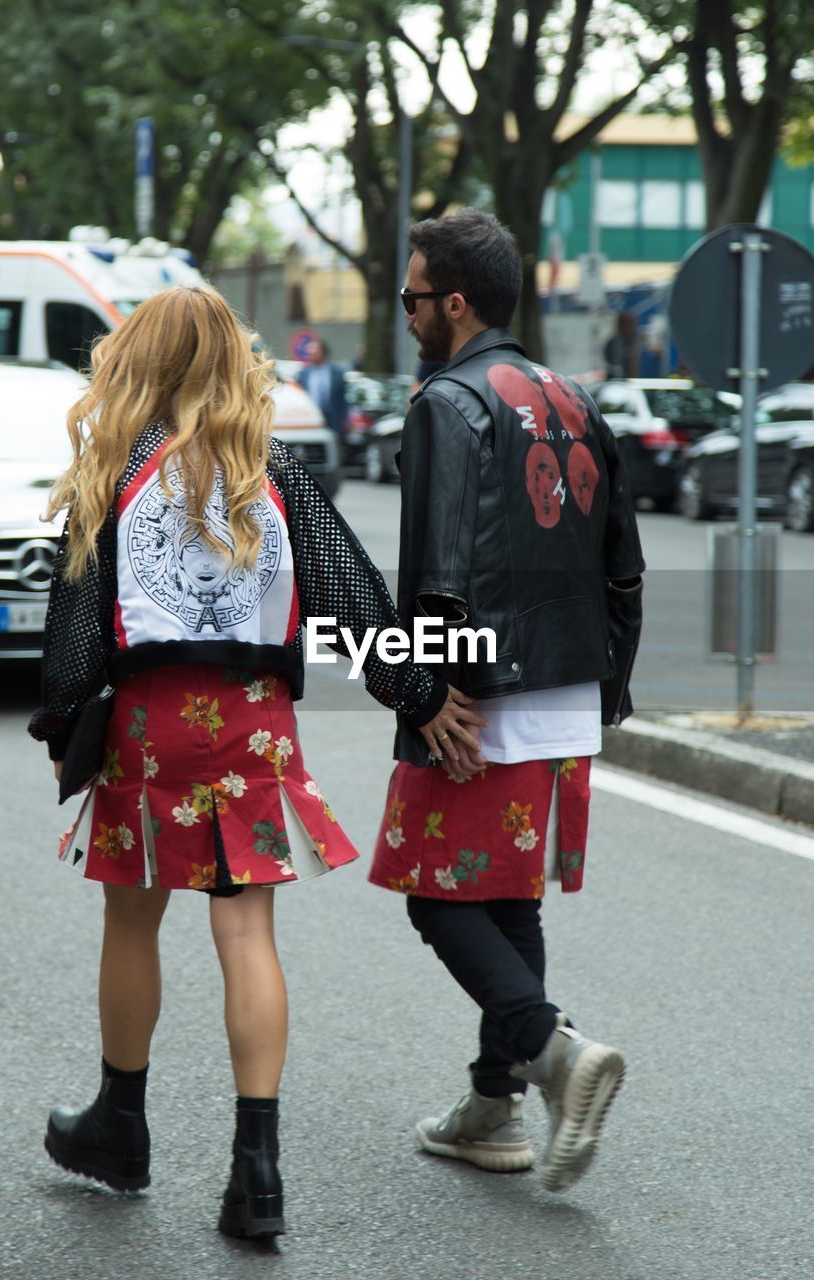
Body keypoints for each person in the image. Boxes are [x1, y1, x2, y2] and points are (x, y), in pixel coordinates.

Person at [28, 286, 482, 1237]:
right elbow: (356, 607)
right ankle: (257, 1174)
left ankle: (120, 1122)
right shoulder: (270, 471)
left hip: (150, 728)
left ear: (137, 365)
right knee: (247, 936)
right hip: (254, 727)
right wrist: (425, 696)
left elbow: (73, 643)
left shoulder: (114, 471)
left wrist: (63, 725)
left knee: (132, 923)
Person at [368, 209, 645, 1193]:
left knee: (436, 896)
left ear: (453, 299)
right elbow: (624, 563)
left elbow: (437, 568)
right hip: (565, 688)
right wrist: (607, 682)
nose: (404, 315)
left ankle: (553, 1050)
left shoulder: (449, 398)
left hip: (477, 688)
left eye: (410, 298)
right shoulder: (574, 395)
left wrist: (424, 691)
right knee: (506, 893)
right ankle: (493, 1105)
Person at [296, 335, 349, 437]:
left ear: (323, 352)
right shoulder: (303, 374)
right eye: (309, 350)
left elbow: (343, 400)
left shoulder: (337, 373)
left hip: (333, 422)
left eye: (313, 349)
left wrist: (345, 420)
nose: (310, 353)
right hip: (309, 422)